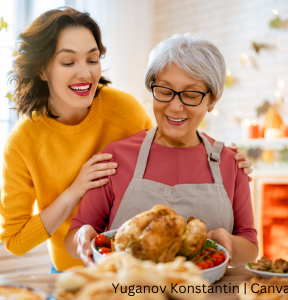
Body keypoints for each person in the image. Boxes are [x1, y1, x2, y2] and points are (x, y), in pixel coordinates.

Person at [0, 8, 251, 273]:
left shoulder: (123, 110)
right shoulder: (23, 142)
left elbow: (166, 144)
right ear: (42, 70)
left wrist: (226, 162)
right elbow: (15, 241)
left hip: (127, 270)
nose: (84, 74)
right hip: (71, 266)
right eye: (68, 62)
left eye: (92, 59)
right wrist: (76, 189)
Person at [65, 34, 258, 267]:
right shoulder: (116, 156)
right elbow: (76, 236)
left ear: (212, 99)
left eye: (191, 95)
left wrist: (226, 241)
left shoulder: (230, 162)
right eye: (165, 91)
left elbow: (250, 248)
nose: (175, 107)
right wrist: (82, 235)